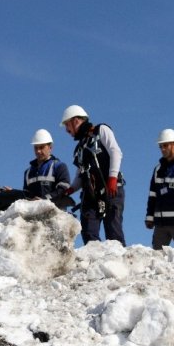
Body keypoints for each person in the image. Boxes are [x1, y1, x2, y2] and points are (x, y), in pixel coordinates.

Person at [61, 105, 126, 246]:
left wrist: (113, 178)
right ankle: (95, 264)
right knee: (88, 233)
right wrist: (71, 189)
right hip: (91, 195)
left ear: (76, 121)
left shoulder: (101, 130)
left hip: (111, 190)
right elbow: (81, 173)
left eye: (67, 125)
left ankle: (119, 264)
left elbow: (116, 152)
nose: (67, 131)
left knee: (113, 233)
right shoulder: (80, 148)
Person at [23, 129, 71, 207]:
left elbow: (63, 190)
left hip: (55, 214)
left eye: (41, 147)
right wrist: (13, 192)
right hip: (32, 214)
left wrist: (44, 199)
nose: (38, 151)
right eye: (36, 148)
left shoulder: (59, 167)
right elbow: (25, 195)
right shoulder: (28, 172)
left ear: (50, 147)